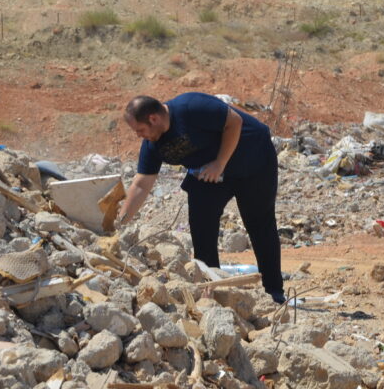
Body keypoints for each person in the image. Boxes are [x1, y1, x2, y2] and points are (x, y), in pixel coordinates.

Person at [116, 93, 286, 304]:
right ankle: (210, 288)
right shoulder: (153, 145)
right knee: (201, 224)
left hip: (253, 159)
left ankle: (274, 292)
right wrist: (119, 224)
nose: (139, 136)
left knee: (259, 223)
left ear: (153, 119)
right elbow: (141, 184)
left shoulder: (192, 107)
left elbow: (235, 122)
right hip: (209, 173)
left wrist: (220, 163)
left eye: (140, 130)